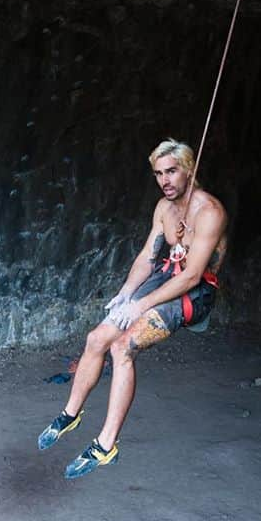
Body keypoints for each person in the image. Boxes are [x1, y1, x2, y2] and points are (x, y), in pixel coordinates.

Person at [38, 138, 228, 478]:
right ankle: (70, 414)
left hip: (195, 291)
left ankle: (106, 445)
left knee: (123, 346)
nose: (165, 180)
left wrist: (141, 304)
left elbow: (193, 276)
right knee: (97, 339)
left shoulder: (210, 212)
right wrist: (127, 293)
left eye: (171, 171)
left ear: (189, 170)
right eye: (158, 174)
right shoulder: (163, 208)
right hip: (165, 275)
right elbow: (147, 257)